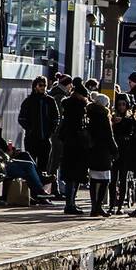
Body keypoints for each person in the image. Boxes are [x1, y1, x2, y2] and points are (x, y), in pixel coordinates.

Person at [56, 79, 90, 215]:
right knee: (75, 176)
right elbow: (80, 128)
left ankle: (70, 203)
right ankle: (70, 204)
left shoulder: (68, 108)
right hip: (77, 146)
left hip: (68, 145)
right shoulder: (79, 109)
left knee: (71, 175)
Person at [18, 76, 57, 185]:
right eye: (40, 85)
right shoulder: (29, 101)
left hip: (45, 138)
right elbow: (21, 118)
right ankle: (34, 187)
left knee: (43, 164)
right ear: (35, 86)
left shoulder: (50, 100)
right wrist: (30, 129)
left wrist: (51, 131)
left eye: (45, 85)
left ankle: (41, 187)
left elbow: (56, 117)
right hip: (32, 138)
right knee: (31, 163)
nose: (43, 88)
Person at [86, 95, 117, 217]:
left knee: (93, 180)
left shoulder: (89, 114)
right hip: (103, 151)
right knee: (105, 180)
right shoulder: (104, 116)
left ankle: (94, 207)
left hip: (92, 150)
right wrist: (115, 150)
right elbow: (109, 136)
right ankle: (98, 206)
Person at [110, 94, 135, 213]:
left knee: (123, 178)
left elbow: (132, 132)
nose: (121, 107)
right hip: (115, 152)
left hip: (125, 152)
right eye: (119, 104)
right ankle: (111, 204)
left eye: (123, 104)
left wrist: (123, 120)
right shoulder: (113, 118)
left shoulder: (130, 119)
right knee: (113, 179)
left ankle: (120, 206)